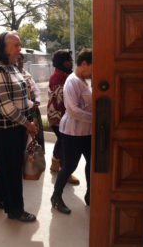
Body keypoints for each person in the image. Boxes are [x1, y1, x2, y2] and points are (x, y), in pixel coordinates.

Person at [0, 31, 38, 222]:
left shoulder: (12, 67)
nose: (19, 49)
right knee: (13, 172)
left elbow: (21, 98)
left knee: (11, 167)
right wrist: (28, 124)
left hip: (17, 127)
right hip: (5, 130)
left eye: (19, 45)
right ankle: (15, 211)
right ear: (3, 47)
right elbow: (7, 108)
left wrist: (32, 107)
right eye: (15, 45)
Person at [51, 49, 92, 214]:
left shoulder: (84, 80)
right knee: (69, 166)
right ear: (83, 64)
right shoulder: (72, 81)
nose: (94, 72)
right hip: (72, 132)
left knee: (92, 163)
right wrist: (96, 117)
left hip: (86, 132)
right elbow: (73, 110)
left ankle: (91, 194)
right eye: (93, 68)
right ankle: (56, 197)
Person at [47, 50, 79, 185]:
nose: (71, 62)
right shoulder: (59, 76)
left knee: (62, 140)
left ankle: (55, 162)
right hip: (58, 116)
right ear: (62, 62)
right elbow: (64, 99)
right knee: (67, 144)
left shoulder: (64, 74)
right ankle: (66, 171)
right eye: (68, 59)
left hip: (60, 116)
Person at [17, 53, 45, 151]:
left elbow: (36, 89)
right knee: (25, 136)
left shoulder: (26, 74)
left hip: (33, 109)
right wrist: (32, 104)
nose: (20, 62)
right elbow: (19, 96)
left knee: (37, 133)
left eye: (21, 60)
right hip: (23, 110)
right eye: (17, 60)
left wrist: (37, 101)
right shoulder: (14, 76)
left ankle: (36, 156)